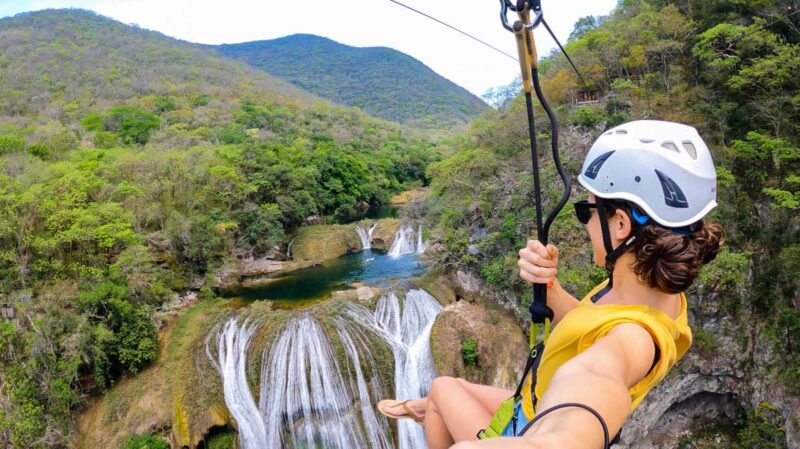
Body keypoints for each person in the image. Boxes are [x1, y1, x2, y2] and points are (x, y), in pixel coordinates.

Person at [377, 120, 725, 449]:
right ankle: (426, 408)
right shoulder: (656, 286)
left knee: (441, 390)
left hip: (532, 422)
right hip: (532, 400)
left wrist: (543, 443)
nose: (584, 224)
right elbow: (589, 329)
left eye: (586, 211)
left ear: (620, 225)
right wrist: (550, 286)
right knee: (445, 390)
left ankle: (430, 411)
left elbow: (595, 379)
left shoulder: (635, 339)